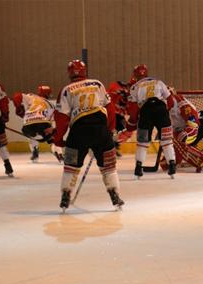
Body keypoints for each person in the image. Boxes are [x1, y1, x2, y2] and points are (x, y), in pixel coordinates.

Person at [53, 59, 124, 211]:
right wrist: (110, 130)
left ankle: (65, 195)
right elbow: (109, 108)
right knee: (109, 166)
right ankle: (114, 194)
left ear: (69, 73)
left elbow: (62, 118)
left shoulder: (66, 89)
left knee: (70, 166)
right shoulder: (97, 84)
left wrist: (58, 140)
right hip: (100, 131)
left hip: (78, 133)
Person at [127, 64, 176, 179]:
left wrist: (132, 122)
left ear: (135, 75)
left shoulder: (135, 87)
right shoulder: (159, 82)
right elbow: (170, 101)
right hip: (161, 112)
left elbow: (133, 110)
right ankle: (172, 165)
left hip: (146, 112)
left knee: (142, 142)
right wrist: (164, 113)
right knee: (166, 140)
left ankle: (138, 168)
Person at [162, 89, 203, 173]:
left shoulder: (181, 104)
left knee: (181, 140)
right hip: (179, 129)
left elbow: (193, 122)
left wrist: (186, 134)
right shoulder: (166, 104)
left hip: (194, 126)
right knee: (165, 164)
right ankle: (176, 160)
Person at [12, 85, 61, 163]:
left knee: (32, 135)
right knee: (51, 139)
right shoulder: (50, 104)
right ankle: (59, 153)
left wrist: (19, 108)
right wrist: (52, 130)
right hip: (43, 123)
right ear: (48, 94)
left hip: (27, 125)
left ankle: (35, 151)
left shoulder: (31, 96)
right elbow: (53, 119)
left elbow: (17, 95)